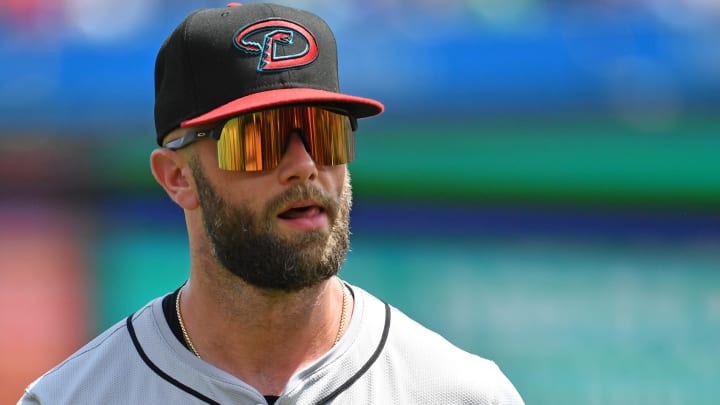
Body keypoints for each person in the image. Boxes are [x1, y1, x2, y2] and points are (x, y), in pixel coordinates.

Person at [19, 3, 524, 404]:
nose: (304, 165)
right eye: (258, 138)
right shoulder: (74, 397)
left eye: (326, 133)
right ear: (177, 178)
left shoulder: (460, 393)